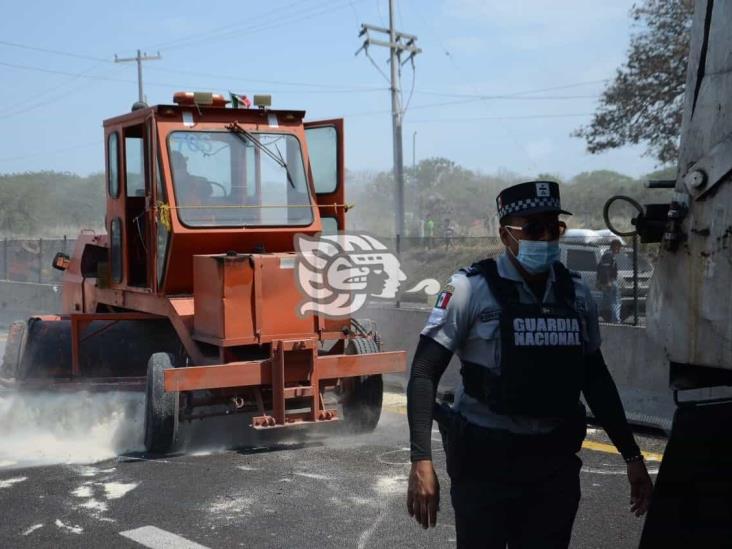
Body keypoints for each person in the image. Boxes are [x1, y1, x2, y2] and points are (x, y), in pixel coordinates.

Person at [405, 181, 653, 548]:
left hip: (553, 468)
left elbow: (595, 379)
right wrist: (421, 460)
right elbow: (425, 372)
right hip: (484, 467)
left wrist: (632, 456)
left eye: (555, 228)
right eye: (535, 229)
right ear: (506, 235)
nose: (548, 237)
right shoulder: (469, 290)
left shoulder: (576, 295)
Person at [597, 239, 622, 322]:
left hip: (609, 281)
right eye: (619, 247)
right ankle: (616, 320)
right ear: (615, 246)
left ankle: (594, 315)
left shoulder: (609, 255)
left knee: (605, 302)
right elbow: (605, 269)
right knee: (615, 301)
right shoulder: (608, 255)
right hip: (610, 281)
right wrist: (608, 281)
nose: (620, 249)